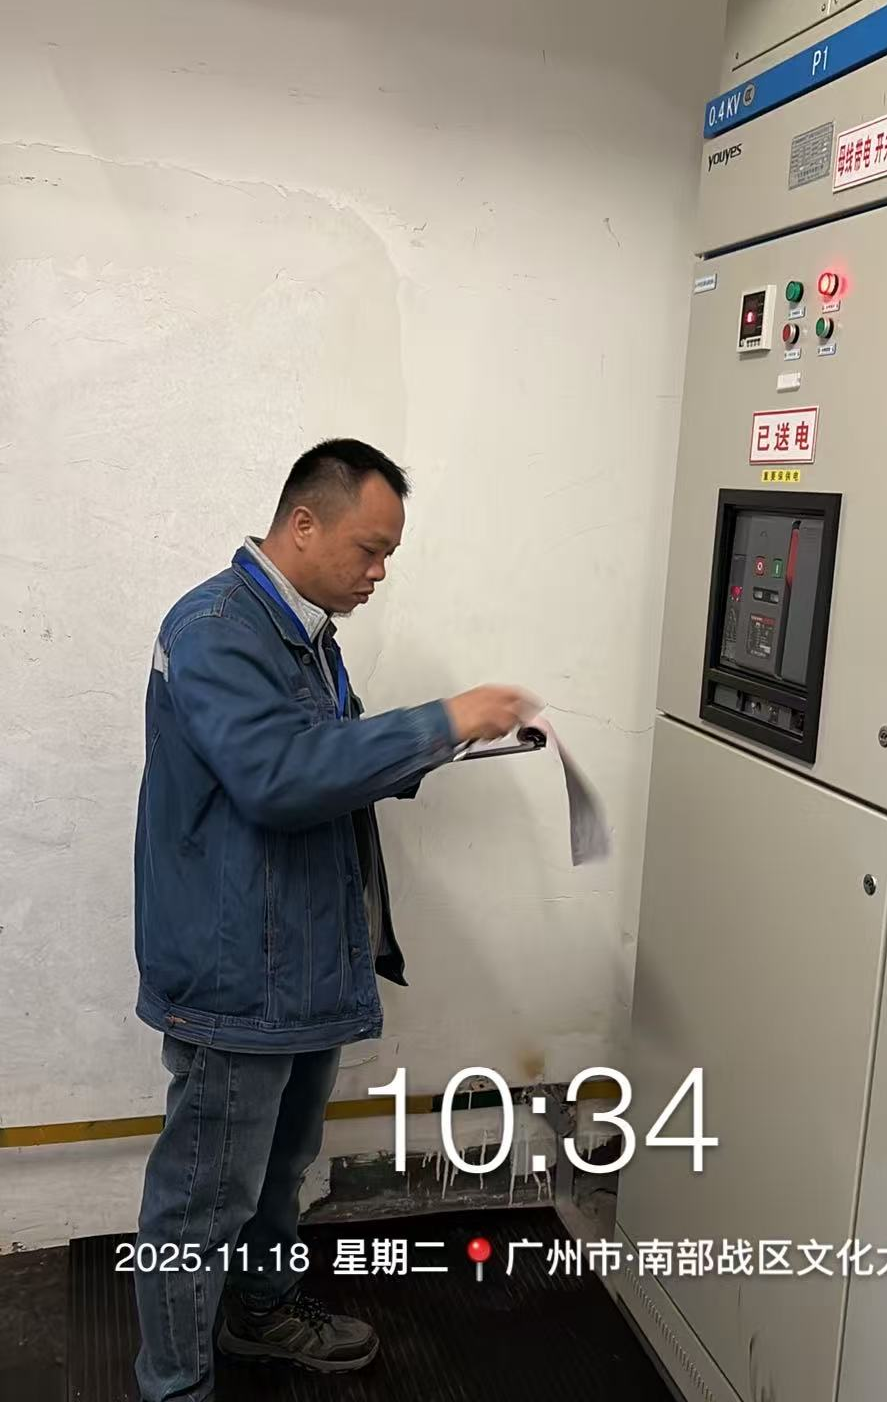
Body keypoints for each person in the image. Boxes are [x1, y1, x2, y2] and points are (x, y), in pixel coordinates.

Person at [131, 438, 532, 1401]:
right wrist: (442, 720)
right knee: (201, 1201)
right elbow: (277, 777)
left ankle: (261, 1310)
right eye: (369, 548)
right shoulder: (217, 629)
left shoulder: (304, 634)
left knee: (281, 1170)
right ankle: (174, 1385)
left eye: (388, 554)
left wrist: (458, 744)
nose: (378, 572)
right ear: (303, 524)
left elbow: (331, 754)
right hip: (237, 973)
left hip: (302, 962)